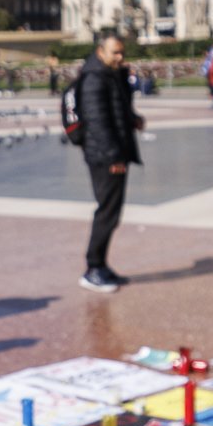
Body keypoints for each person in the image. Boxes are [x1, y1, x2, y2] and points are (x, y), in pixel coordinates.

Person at [72, 29, 143, 291]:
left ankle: (100, 265)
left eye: (122, 51)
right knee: (107, 212)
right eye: (115, 52)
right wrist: (114, 156)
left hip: (112, 153)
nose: (120, 56)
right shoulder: (95, 79)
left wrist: (133, 118)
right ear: (101, 52)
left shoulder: (112, 75)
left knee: (111, 212)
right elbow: (98, 122)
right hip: (105, 157)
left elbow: (117, 110)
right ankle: (93, 268)